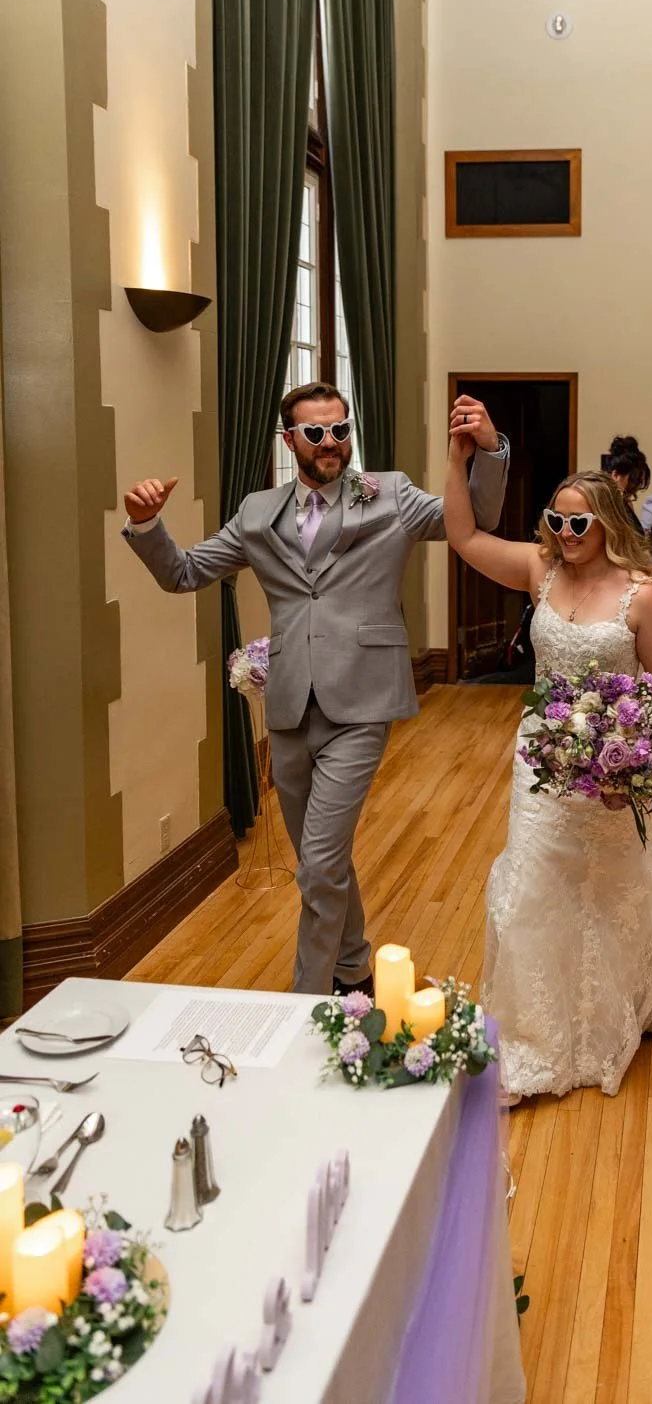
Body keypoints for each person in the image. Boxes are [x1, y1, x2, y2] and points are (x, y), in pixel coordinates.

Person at [123, 382, 509, 997]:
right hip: (288, 705)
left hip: (363, 702)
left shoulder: (392, 496)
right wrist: (146, 525)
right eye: (317, 432)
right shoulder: (256, 513)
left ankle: (304, 1007)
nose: (332, 442)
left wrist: (488, 452)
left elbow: (476, 520)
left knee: (322, 861)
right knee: (318, 862)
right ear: (290, 440)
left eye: (340, 429)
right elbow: (185, 573)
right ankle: (353, 968)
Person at [444, 426, 652, 1101]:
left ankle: (622, 1007)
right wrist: (458, 460)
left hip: (609, 769)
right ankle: (538, 1034)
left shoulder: (642, 596)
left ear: (608, 523)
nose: (564, 531)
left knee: (613, 890)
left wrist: (629, 752)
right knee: (531, 885)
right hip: (540, 759)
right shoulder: (542, 570)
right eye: (555, 520)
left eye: (577, 521)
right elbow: (466, 539)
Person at [602, 435, 650, 533]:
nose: (635, 487)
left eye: (639, 482)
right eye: (634, 480)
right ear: (615, 475)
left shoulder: (626, 503)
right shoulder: (602, 504)